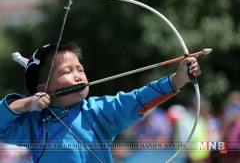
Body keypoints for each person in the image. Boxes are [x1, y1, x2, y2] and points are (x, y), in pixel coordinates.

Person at [0, 42, 201, 163]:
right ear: (43, 90)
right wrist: (25, 104)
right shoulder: (34, 123)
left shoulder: (98, 111)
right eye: (67, 72)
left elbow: (138, 99)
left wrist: (177, 80)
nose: (78, 76)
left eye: (80, 69)